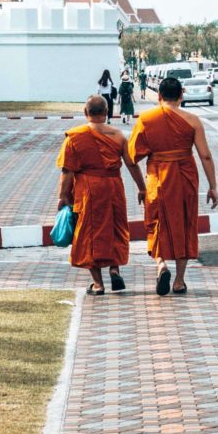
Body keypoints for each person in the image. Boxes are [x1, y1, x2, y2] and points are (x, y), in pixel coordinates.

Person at [127, 76, 218, 295]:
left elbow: (132, 156)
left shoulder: (147, 119)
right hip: (185, 175)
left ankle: (161, 264)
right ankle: (179, 281)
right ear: (181, 96)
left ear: (159, 96)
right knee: (185, 222)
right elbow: (205, 155)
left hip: (158, 175)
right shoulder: (193, 120)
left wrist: (141, 185)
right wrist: (213, 186)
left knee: (156, 220)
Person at [57, 95, 146, 295]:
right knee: (114, 228)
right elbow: (131, 164)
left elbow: (67, 170)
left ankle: (98, 284)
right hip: (113, 186)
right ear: (107, 113)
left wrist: (62, 196)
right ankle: (114, 268)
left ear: (85, 113)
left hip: (88, 189)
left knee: (89, 233)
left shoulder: (75, 137)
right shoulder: (118, 135)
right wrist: (142, 188)